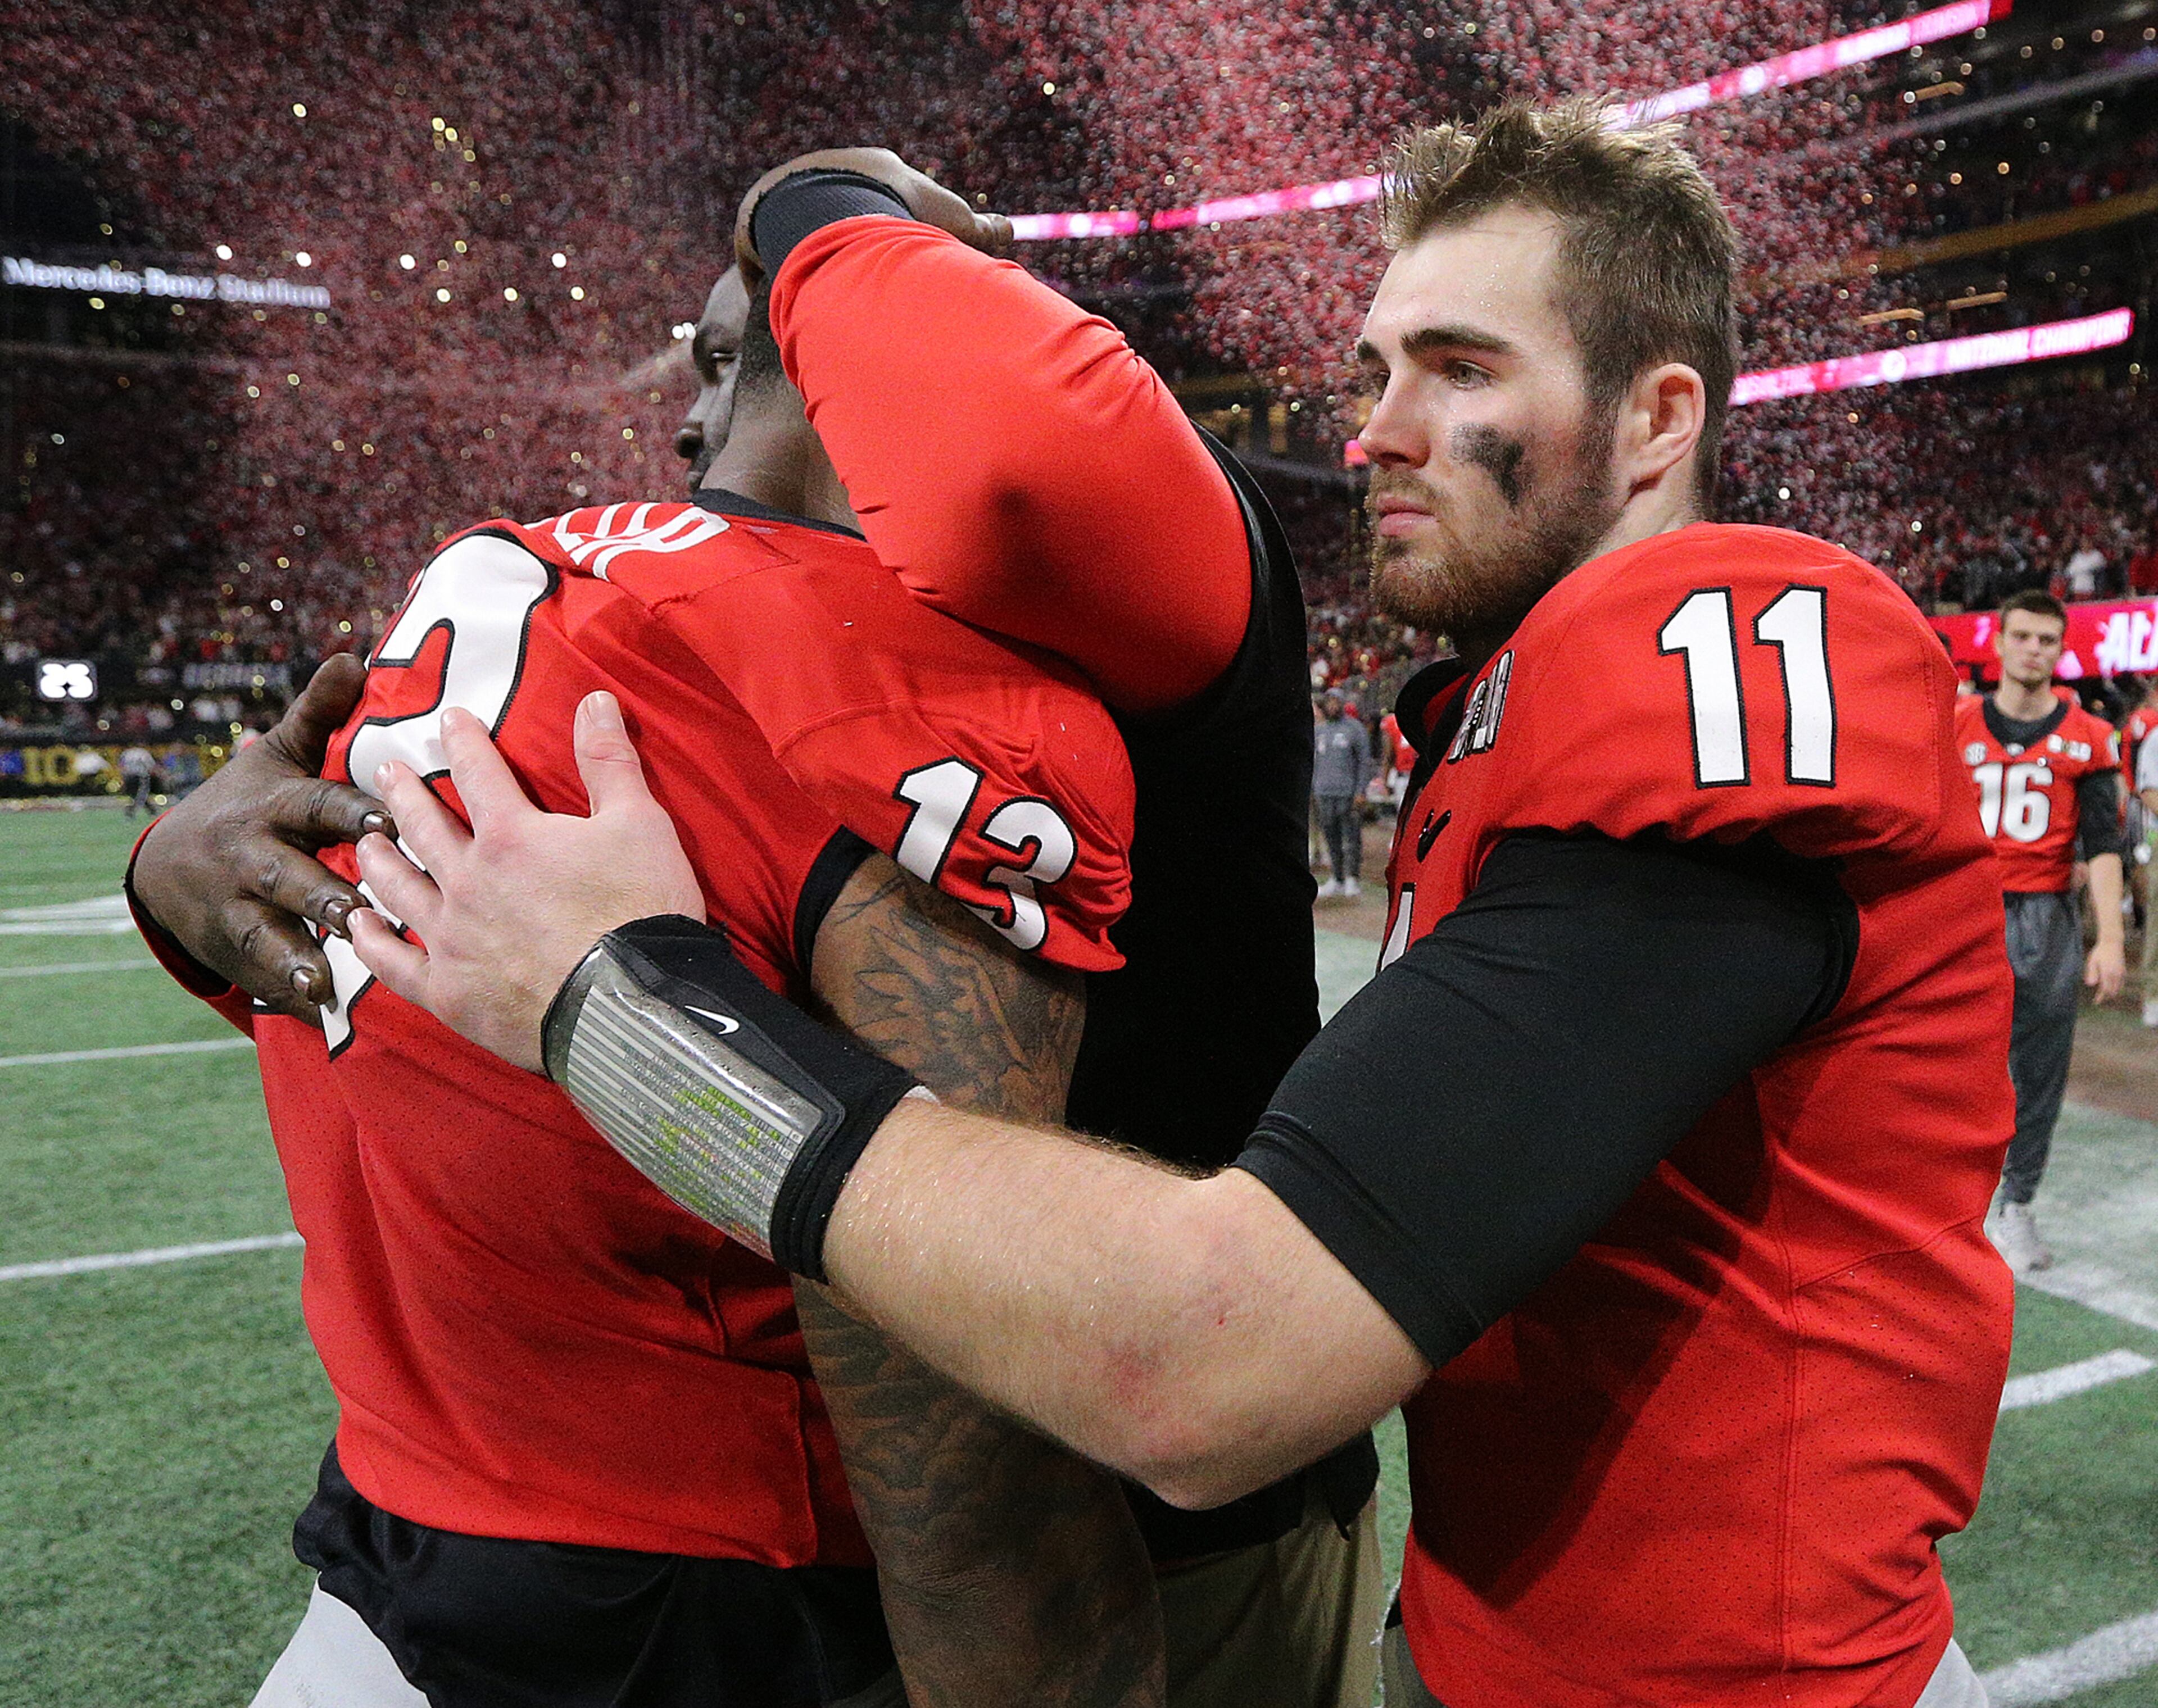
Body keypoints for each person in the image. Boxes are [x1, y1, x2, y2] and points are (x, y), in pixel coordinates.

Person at [351, 100, 2016, 1708]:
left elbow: (1211, 1360)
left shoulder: (1725, 638)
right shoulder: (1500, 718)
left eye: (1458, 370)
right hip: (1489, 1633)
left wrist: (619, 999)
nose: (1370, 430)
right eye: (1373, 372)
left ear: (1658, 422)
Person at [130, 152, 1384, 1707]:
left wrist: (164, 869)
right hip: (709, 1596)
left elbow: (362, 1001)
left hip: (396, 1569)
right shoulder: (894, 692)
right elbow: (965, 1480)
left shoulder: (501, 584)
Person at [1955, 591, 2127, 1274]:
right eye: (2022, 636)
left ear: (2061, 651)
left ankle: (2016, 1204)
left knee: (2039, 1073)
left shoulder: (2086, 736)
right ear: (1998, 644)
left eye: (2046, 640)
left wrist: (2108, 938)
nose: (2033, 650)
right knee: (1947, 1065)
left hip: (2046, 915)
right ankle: (1949, 1205)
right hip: (1964, 912)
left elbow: (2103, 844)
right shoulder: (1957, 724)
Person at [2116, 674, 2158, 1026]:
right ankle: (2153, 996)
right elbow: (2148, 791)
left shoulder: (2141, 723)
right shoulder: (2152, 730)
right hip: (2146, 818)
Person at [1311, 689, 1369, 897]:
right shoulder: (1319, 731)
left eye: (1336, 701)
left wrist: (1361, 790)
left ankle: (1353, 878)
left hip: (1348, 792)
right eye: (1330, 702)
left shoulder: (1355, 729)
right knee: (1331, 836)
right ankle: (1337, 878)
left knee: (1351, 837)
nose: (1333, 705)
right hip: (1324, 792)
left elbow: (1364, 762)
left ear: (1343, 703)